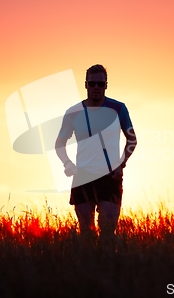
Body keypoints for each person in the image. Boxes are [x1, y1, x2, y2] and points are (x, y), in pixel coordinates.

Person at [55, 64, 137, 242]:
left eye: (101, 84)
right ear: (86, 85)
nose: (96, 88)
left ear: (106, 85)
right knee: (86, 233)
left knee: (107, 232)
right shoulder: (73, 112)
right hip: (82, 176)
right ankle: (88, 267)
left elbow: (132, 140)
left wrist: (122, 164)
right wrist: (67, 163)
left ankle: (108, 266)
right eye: (92, 84)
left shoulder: (118, 108)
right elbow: (59, 143)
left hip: (110, 176)